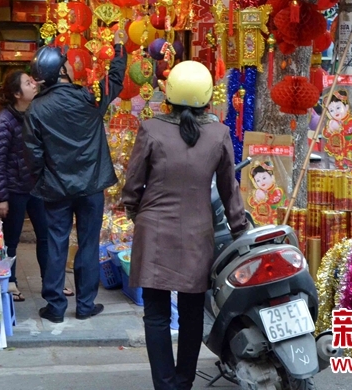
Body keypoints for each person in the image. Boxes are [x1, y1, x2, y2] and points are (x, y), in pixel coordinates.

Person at [122, 60, 249, 390]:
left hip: (154, 233)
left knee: (156, 314)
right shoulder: (219, 134)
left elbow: (133, 183)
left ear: (170, 94)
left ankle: (165, 385)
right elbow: (228, 189)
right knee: (192, 314)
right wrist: (239, 229)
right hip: (198, 234)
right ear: (208, 97)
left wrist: (135, 211)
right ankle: (184, 381)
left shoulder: (151, 129)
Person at [24, 43, 127, 322]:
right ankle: (84, 305)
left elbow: (33, 155)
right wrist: (119, 53)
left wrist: (43, 179)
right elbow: (114, 81)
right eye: (67, 63)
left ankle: (55, 308)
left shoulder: (36, 109)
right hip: (91, 186)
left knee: (56, 244)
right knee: (88, 244)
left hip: (56, 189)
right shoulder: (88, 97)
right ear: (61, 71)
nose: (71, 66)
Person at [0, 70, 70, 301]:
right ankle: (10, 281)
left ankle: (52, 282)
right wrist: (1, 197)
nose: (33, 85)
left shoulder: (36, 114)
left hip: (38, 186)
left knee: (46, 235)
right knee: (10, 239)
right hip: (14, 189)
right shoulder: (2, 122)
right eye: (27, 83)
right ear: (16, 93)